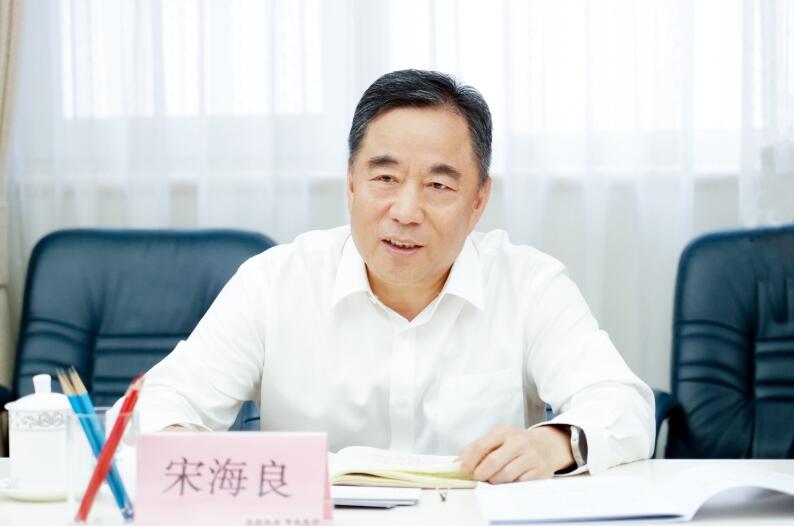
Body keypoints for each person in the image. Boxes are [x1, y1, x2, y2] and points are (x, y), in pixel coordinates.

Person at [134, 69, 655, 483]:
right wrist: (188, 448)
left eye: (438, 186)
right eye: (385, 178)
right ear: (351, 185)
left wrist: (553, 443)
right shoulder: (274, 283)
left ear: (478, 201)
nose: (406, 212)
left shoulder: (528, 283)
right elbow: (159, 403)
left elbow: (624, 405)